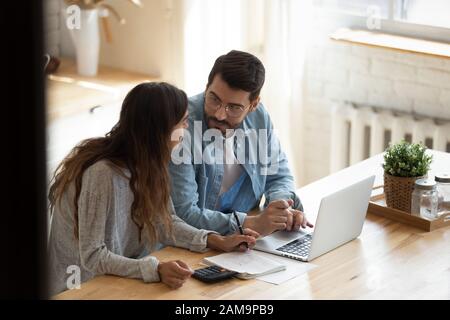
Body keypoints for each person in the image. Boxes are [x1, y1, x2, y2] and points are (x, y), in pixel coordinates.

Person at [47, 82, 258, 295]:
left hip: (117, 278)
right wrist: (154, 269)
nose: (187, 128)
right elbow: (92, 256)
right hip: (78, 289)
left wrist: (216, 240)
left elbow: (164, 222)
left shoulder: (151, 162)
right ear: (161, 129)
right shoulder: (102, 173)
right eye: (183, 122)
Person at [169, 50, 313, 236]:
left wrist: (280, 209)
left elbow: (278, 176)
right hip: (194, 243)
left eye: (234, 108)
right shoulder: (181, 125)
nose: (220, 114)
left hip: (246, 241)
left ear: (253, 105)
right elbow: (183, 213)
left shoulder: (259, 117)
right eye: (214, 99)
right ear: (206, 87)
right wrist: (250, 223)